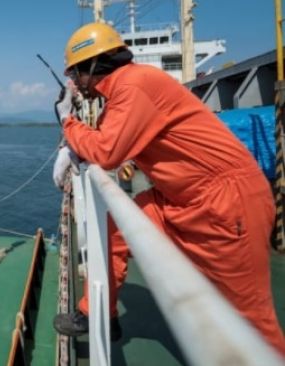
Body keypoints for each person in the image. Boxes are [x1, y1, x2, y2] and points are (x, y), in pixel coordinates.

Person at [51, 22, 285, 354]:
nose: (74, 83)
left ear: (93, 65)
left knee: (250, 318)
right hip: (180, 197)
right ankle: (98, 312)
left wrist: (67, 122)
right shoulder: (124, 90)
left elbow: (106, 150)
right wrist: (72, 145)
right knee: (114, 227)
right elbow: (104, 139)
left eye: (76, 74)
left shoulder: (134, 85)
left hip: (227, 201)